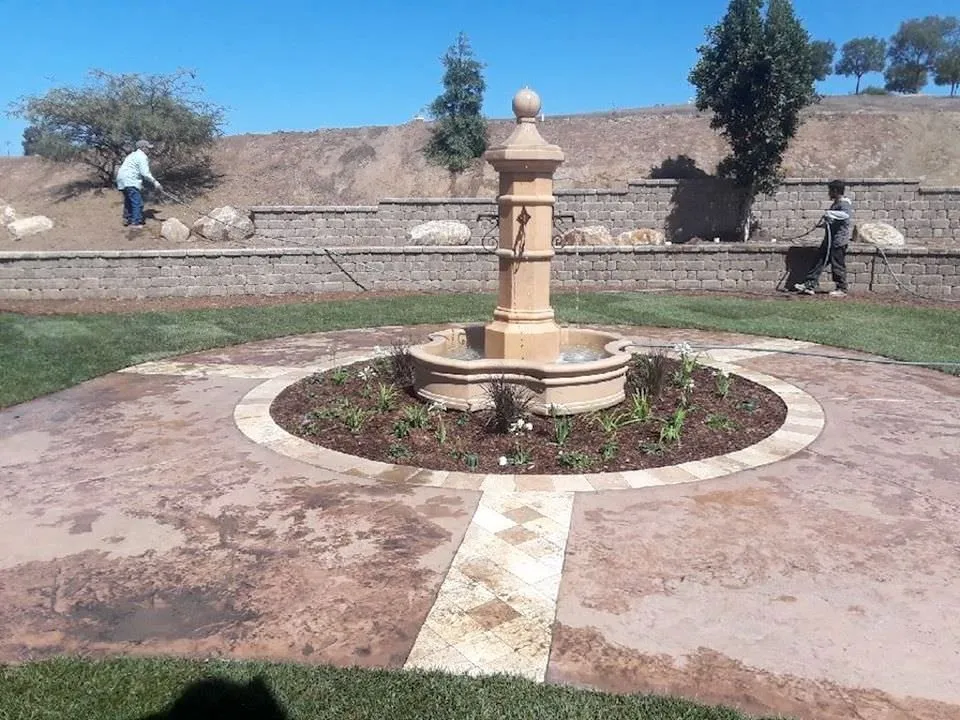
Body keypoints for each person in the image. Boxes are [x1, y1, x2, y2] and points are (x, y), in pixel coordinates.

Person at [795, 179, 854, 297]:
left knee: (837, 265)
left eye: (830, 191)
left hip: (838, 242)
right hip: (829, 241)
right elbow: (835, 221)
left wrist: (829, 213)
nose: (829, 193)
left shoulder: (844, 204)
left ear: (835, 191)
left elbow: (845, 215)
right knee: (818, 263)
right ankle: (809, 285)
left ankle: (842, 289)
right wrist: (823, 224)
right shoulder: (836, 204)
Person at [115, 139, 162, 228]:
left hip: (121, 180)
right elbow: (145, 173)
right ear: (143, 148)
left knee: (128, 200)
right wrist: (155, 183)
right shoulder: (142, 156)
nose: (149, 150)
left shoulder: (132, 155)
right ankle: (135, 223)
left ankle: (127, 219)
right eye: (148, 148)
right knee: (137, 202)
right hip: (130, 180)